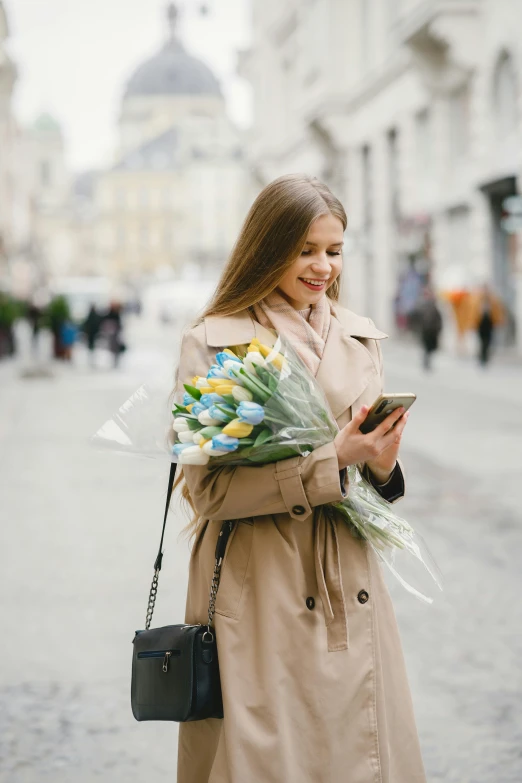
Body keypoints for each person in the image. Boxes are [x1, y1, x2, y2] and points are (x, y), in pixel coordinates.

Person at [174, 174, 426, 783]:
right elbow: (206, 492)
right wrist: (329, 462)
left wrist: (382, 466)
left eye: (334, 251)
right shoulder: (216, 343)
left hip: (349, 580)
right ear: (267, 247)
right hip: (259, 584)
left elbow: (369, 481)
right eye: (305, 249)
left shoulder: (360, 336)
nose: (322, 267)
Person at [416, 285, 443, 371]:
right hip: (425, 330)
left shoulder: (434, 305)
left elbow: (438, 318)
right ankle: (426, 362)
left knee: (431, 348)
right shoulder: (422, 305)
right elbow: (418, 317)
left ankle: (427, 361)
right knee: (426, 347)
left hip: (432, 330)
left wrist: (438, 328)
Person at [101, 301, 125, 368]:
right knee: (112, 347)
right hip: (112, 334)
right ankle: (114, 360)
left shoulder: (116, 314)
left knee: (115, 347)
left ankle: (115, 360)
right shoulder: (112, 314)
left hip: (115, 334)